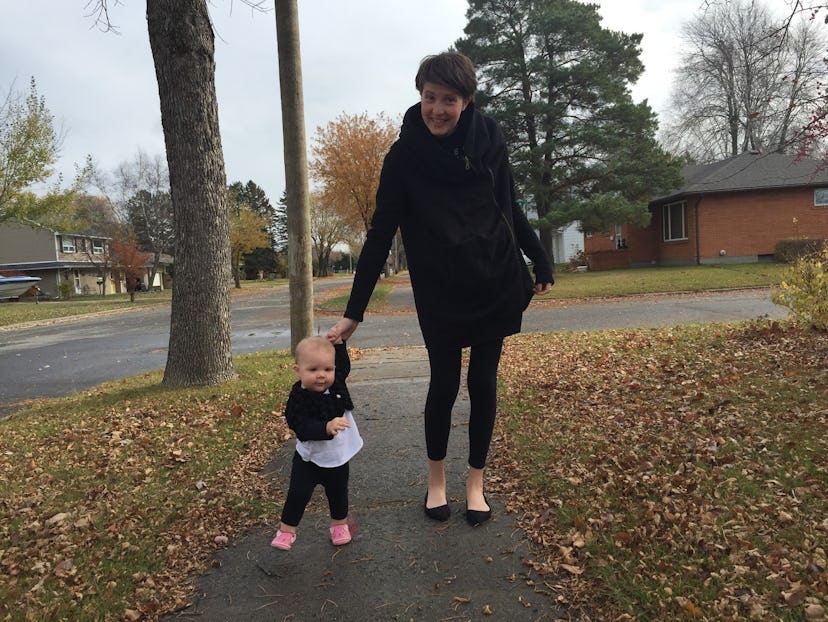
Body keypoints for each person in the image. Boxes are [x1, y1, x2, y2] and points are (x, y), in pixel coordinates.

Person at [328, 51, 553, 526]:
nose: (437, 109)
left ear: (466, 101)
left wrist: (540, 255)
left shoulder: (489, 138)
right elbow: (379, 233)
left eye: (448, 99)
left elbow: (507, 202)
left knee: (483, 382)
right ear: (420, 96)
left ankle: (475, 482)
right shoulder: (404, 156)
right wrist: (355, 311)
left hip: (493, 276)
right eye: (430, 97)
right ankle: (436, 481)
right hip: (441, 288)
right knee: (445, 383)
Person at [271, 336, 363, 550]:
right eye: (313, 370)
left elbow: (342, 366)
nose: (321, 375)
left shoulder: (337, 386)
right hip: (308, 459)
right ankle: (287, 530)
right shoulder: (299, 397)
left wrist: (339, 344)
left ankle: (339, 525)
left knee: (338, 493)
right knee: (298, 493)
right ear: (298, 370)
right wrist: (324, 428)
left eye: (327, 369)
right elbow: (299, 425)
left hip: (337, 457)